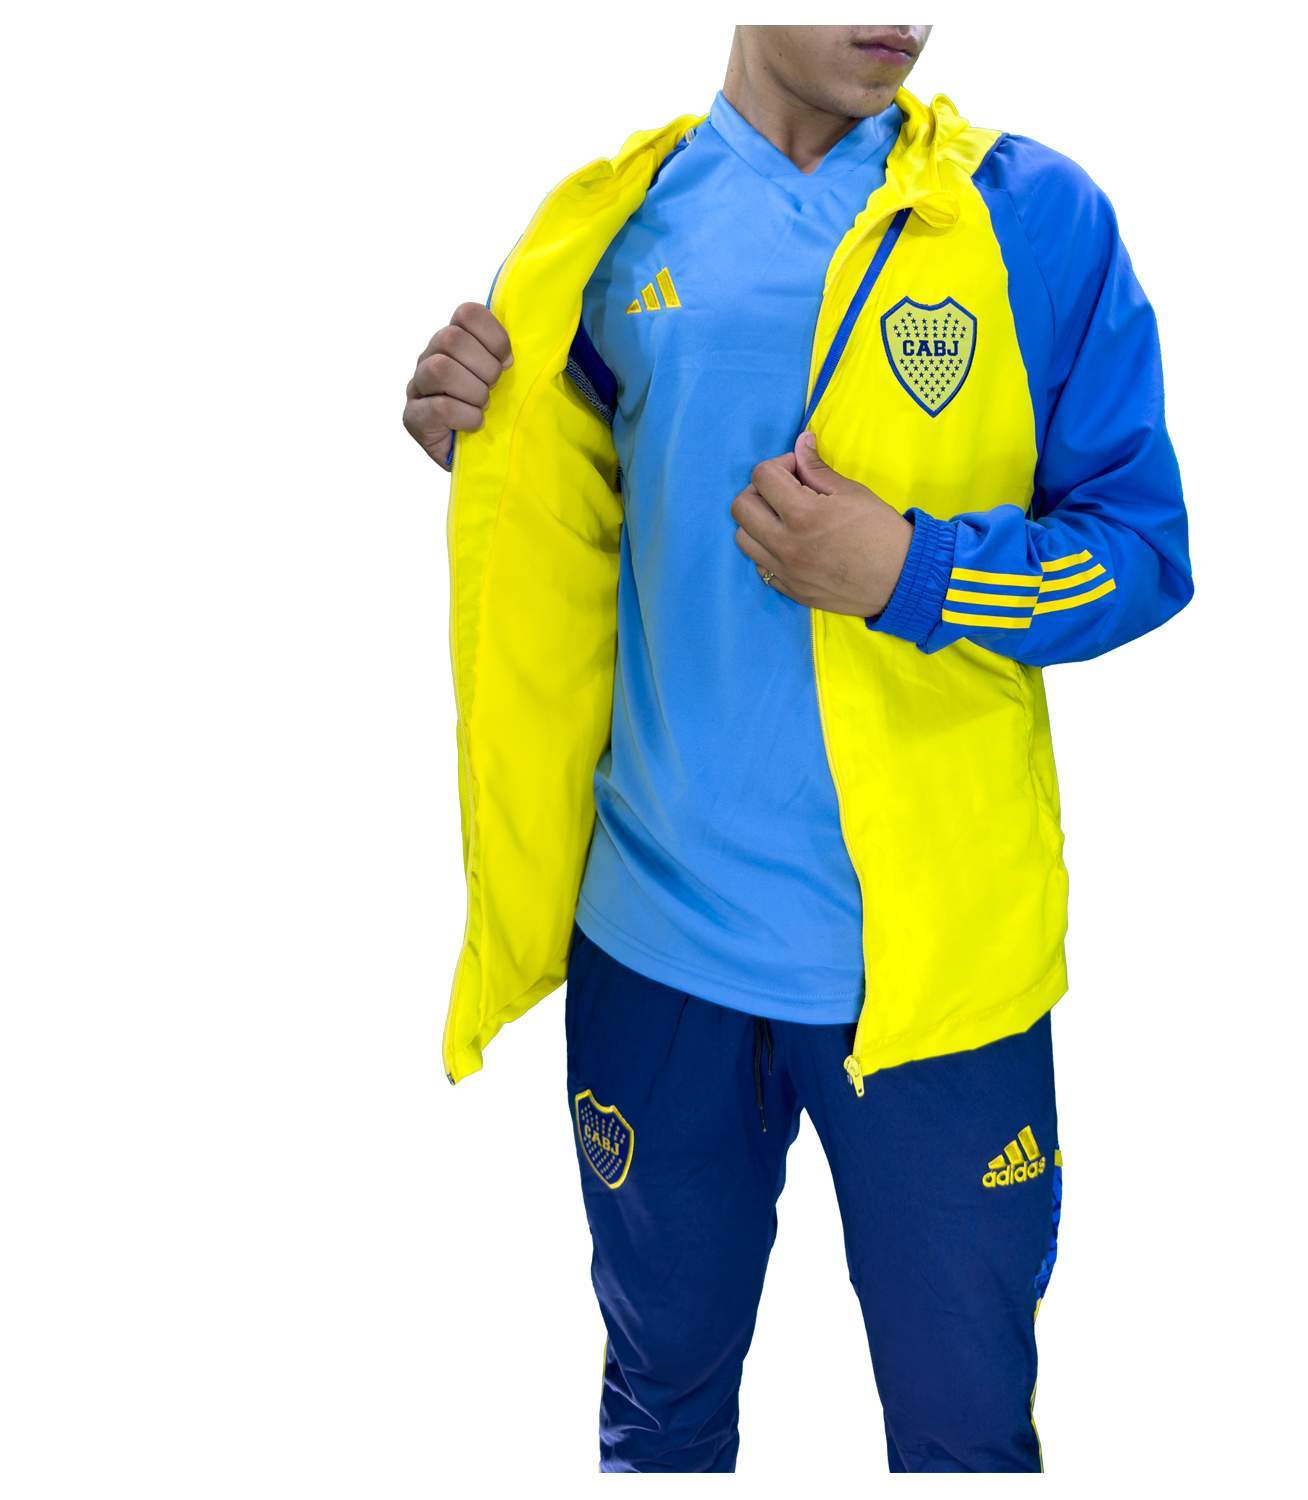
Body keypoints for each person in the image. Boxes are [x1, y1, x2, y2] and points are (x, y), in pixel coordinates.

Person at [402, 23, 1192, 1473]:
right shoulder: (611, 230)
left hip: (935, 981)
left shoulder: (1032, 218)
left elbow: (1144, 553)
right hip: (655, 953)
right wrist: (481, 437)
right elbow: (569, 512)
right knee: (661, 1410)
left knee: (967, 1436)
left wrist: (917, 573)